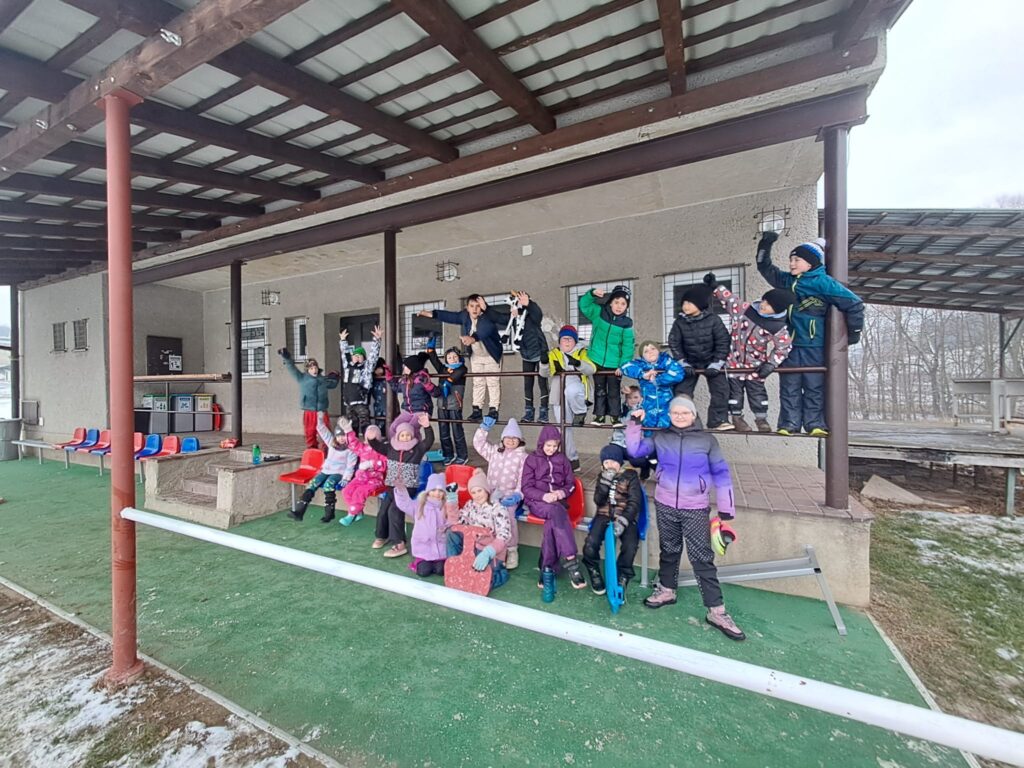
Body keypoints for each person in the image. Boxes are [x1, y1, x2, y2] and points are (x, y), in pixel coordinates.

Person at [625, 396, 745, 641]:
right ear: (669, 415)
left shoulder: (707, 440)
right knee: (669, 550)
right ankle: (667, 590)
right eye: (675, 413)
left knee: (702, 557)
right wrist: (634, 424)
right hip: (665, 503)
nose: (679, 416)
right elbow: (634, 451)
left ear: (693, 415)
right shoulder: (661, 437)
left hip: (695, 507)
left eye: (684, 412)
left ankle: (716, 611)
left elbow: (721, 473)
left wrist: (726, 509)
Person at [756, 231, 864, 436]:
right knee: (789, 387)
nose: (791, 264)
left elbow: (855, 304)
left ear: (811, 263)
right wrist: (765, 243)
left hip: (814, 345)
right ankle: (789, 424)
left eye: (797, 260)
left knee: (814, 386)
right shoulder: (787, 281)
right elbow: (764, 267)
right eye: (790, 259)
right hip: (789, 346)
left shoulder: (824, 283)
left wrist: (853, 334)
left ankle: (815, 424)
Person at [704, 272, 795, 432]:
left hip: (755, 365)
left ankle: (761, 420)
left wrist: (771, 364)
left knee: (757, 394)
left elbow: (784, 347)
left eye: (768, 305)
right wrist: (715, 287)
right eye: (764, 300)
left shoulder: (777, 326)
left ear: (777, 310)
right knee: (735, 394)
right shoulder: (746, 310)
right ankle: (737, 418)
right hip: (733, 362)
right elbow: (730, 300)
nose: (763, 305)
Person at [521, 424, 585, 598]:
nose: (551, 449)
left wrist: (561, 493)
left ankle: (547, 568)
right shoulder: (532, 460)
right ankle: (571, 561)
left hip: (557, 502)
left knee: (552, 523)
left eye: (555, 446)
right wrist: (544, 496)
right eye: (548, 445)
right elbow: (526, 488)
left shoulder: (562, 460)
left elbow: (570, 484)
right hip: (537, 502)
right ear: (541, 443)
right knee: (556, 512)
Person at [421, 294, 503, 421]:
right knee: (478, 383)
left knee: (492, 383)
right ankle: (477, 410)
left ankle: (493, 410)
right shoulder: (465, 316)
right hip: (476, 356)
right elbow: (451, 316)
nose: (475, 309)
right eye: (472, 306)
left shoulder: (487, 317)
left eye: (478, 306)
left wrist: (472, 338)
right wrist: (433, 314)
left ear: (482, 307)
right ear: (467, 307)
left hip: (491, 355)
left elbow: (485, 330)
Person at [366, 411, 434, 558]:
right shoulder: (391, 448)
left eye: (408, 435)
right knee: (383, 510)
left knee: (394, 511)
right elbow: (377, 446)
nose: (405, 437)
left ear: (412, 436)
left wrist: (427, 427)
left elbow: (429, 441)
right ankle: (382, 535)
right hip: (392, 486)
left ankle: (399, 543)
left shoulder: (417, 449)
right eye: (402, 435)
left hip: (407, 488)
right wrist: (371, 438)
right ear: (398, 436)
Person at [667, 284, 732, 431]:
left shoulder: (713, 320)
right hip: (689, 362)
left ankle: (718, 420)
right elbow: (674, 342)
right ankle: (688, 422)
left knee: (721, 390)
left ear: (700, 304)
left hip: (712, 360)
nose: (685, 306)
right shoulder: (679, 322)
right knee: (681, 392)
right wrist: (683, 362)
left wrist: (717, 363)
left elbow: (723, 341)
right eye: (684, 303)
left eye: (689, 303)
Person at [582, 444, 642, 600]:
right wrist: (604, 483)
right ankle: (592, 568)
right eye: (606, 462)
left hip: (625, 517)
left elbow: (635, 502)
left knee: (630, 545)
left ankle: (624, 573)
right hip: (604, 514)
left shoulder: (630, 476)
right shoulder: (602, 475)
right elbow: (598, 500)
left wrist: (624, 520)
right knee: (591, 543)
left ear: (620, 462)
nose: (610, 465)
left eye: (614, 462)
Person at [472, 416, 528, 569]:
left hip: (509, 496)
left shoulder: (523, 457)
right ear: (503, 439)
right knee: (481, 512)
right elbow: (478, 443)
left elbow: (523, 479)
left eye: (514, 438)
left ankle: (511, 549)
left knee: (507, 516)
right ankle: (486, 544)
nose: (511, 441)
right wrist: (483, 429)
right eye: (508, 437)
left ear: (520, 440)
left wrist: (518, 494)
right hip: (490, 493)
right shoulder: (495, 451)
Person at [539, 325, 596, 472]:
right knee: (563, 428)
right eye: (564, 339)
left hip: (577, 388)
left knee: (571, 390)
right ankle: (571, 460)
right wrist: (544, 362)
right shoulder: (554, 353)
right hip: (558, 393)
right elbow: (545, 373)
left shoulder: (582, 352)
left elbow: (591, 369)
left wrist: (578, 363)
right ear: (559, 341)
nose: (567, 342)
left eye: (570, 339)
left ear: (575, 341)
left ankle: (580, 412)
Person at [445, 470, 512, 590]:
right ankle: (456, 567)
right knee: (451, 532)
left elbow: (504, 535)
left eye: (480, 491)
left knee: (480, 583)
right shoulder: (470, 505)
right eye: (473, 492)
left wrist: (488, 552)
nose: (477, 495)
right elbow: (456, 522)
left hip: (490, 552)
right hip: (473, 547)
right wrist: (452, 500)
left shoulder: (498, 508)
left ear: (486, 490)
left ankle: (500, 574)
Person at [578, 285, 635, 426]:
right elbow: (584, 305)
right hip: (596, 359)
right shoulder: (599, 313)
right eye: (616, 302)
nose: (619, 306)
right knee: (600, 390)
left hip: (615, 364)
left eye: (623, 304)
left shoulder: (627, 324)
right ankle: (599, 416)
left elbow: (628, 347)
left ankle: (615, 417)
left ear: (627, 307)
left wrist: (623, 366)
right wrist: (591, 294)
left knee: (614, 391)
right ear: (610, 302)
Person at [288, 417, 357, 523]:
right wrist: (319, 420)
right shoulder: (332, 443)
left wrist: (346, 478)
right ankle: (299, 511)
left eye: (344, 435)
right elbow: (323, 432)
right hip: (326, 470)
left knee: (329, 484)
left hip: (339, 472)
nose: (341, 438)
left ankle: (329, 513)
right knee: (313, 483)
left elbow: (350, 465)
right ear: (336, 436)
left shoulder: (351, 449)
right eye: (339, 436)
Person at [277, 348, 339, 452]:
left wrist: (336, 378)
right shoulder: (302, 378)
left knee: (326, 432)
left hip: (322, 411)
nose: (314, 370)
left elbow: (332, 385)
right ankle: (312, 450)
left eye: (315, 367)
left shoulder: (323, 379)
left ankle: (327, 451)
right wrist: (287, 357)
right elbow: (292, 368)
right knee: (310, 432)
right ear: (307, 370)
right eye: (311, 368)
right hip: (309, 411)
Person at [620, 340, 685, 430]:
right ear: (642, 356)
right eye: (646, 351)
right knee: (648, 430)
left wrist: (657, 380)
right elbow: (625, 366)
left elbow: (678, 373)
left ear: (658, 351)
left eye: (653, 349)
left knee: (668, 430)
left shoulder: (666, 360)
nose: (650, 352)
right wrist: (643, 374)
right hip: (648, 406)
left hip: (666, 405)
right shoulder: (641, 365)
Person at [394, 474, 449, 578]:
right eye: (433, 490)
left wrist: (446, 527)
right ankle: (420, 562)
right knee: (424, 572)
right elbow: (405, 504)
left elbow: (452, 519)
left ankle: (437, 563)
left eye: (440, 491)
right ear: (428, 491)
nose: (437, 494)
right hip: (424, 548)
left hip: (441, 548)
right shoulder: (419, 505)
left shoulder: (446, 506)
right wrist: (401, 490)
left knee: (441, 570)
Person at [509, 291, 550, 423]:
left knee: (542, 383)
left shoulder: (532, 315)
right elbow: (499, 318)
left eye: (522, 300)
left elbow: (538, 313)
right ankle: (528, 411)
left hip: (540, 353)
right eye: (518, 301)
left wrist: (529, 304)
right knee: (528, 384)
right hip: (526, 355)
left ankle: (544, 412)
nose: (520, 303)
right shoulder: (516, 316)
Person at [426, 340, 468, 465]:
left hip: (454, 405)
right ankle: (448, 454)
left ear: (459, 357)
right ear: (446, 359)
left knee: (457, 432)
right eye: (449, 357)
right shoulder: (442, 369)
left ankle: (462, 455)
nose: (452, 359)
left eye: (455, 357)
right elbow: (434, 360)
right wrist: (430, 349)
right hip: (442, 405)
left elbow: (457, 374)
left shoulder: (462, 368)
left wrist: (449, 381)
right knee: (443, 432)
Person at [338, 421, 387, 527]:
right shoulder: (363, 448)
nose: (371, 442)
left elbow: (385, 464)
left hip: (375, 480)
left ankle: (351, 514)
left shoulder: (382, 450)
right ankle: (358, 511)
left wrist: (372, 464)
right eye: (368, 439)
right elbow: (353, 444)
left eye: (374, 439)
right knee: (346, 491)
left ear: (379, 439)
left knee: (359, 492)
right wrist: (348, 431)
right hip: (360, 478)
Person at [338, 325, 382, 437]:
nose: (357, 357)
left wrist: (376, 340)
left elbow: (373, 356)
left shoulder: (366, 367)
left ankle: (369, 441)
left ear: (364, 358)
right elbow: (344, 354)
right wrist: (343, 340)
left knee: (365, 423)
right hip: (349, 402)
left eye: (360, 356)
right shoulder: (347, 366)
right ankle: (353, 443)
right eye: (355, 355)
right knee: (351, 425)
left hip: (361, 401)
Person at [370, 356, 388, 427]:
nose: (378, 371)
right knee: (379, 424)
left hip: (387, 407)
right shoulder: (372, 381)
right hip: (378, 407)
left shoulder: (386, 380)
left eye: (379, 368)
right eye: (376, 369)